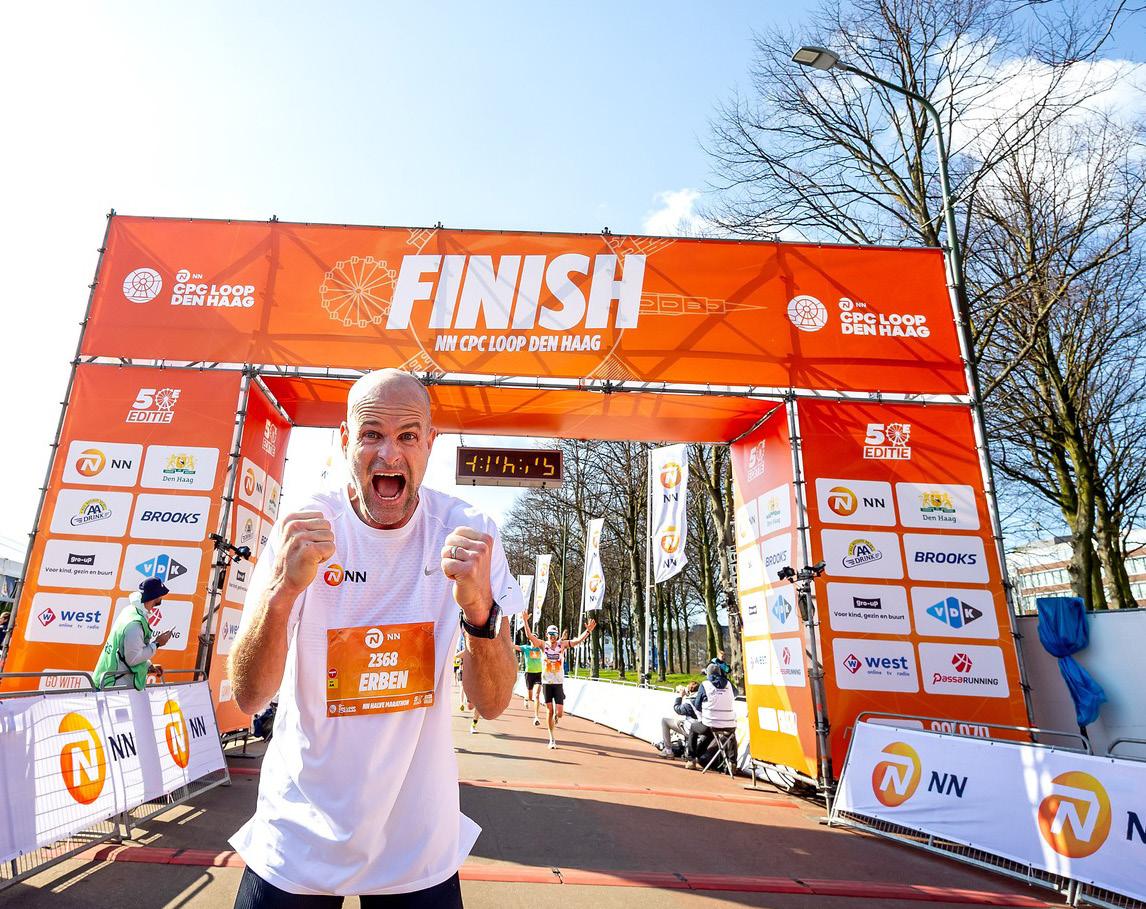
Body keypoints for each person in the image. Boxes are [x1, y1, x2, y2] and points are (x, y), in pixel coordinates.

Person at [227, 369, 522, 906]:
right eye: (371, 435)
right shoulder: (306, 526)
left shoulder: (469, 532)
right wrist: (283, 593)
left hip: (417, 846)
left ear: (430, 443)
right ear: (345, 440)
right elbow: (249, 696)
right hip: (299, 835)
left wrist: (480, 611)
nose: (390, 454)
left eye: (408, 435)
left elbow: (493, 703)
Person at [521, 614, 596, 749]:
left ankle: (557, 715)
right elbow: (530, 636)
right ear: (547, 634)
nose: (552, 636)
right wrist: (525, 621)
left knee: (559, 713)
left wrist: (588, 631)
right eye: (550, 634)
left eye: (554, 634)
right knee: (549, 710)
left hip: (558, 683)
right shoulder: (543, 645)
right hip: (547, 683)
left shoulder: (562, 645)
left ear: (557, 635)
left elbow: (577, 641)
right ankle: (551, 739)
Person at [93, 578, 174, 689]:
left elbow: (127, 650)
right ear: (156, 596)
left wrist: (148, 666)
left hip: (108, 680)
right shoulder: (135, 623)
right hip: (114, 685)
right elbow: (133, 659)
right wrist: (157, 643)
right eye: (161, 595)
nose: (162, 598)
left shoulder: (130, 610)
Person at [686, 662, 738, 770]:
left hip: (710, 724)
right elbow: (736, 694)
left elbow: (697, 705)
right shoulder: (729, 684)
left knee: (693, 728)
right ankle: (732, 763)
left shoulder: (705, 684)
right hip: (729, 724)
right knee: (731, 735)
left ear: (708, 674)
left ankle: (691, 760)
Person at [655, 680, 700, 758]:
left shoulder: (689, 702)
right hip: (702, 728)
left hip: (691, 729)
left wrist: (680, 696)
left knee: (665, 721)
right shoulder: (703, 700)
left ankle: (668, 751)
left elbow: (677, 708)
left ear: (689, 691)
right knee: (680, 722)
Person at [515, 639, 544, 725]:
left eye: (536, 639)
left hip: (539, 673)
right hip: (529, 674)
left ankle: (536, 717)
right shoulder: (526, 648)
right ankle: (526, 698)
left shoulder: (540, 648)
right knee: (531, 697)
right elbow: (514, 646)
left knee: (537, 695)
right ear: (530, 640)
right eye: (532, 639)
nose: (534, 641)